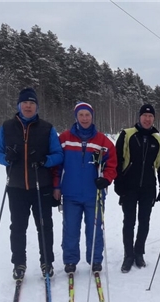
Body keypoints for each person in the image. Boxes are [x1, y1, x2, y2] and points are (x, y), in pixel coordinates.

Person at [0, 87, 63, 280]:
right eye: (25, 103)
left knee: (44, 226)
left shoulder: (47, 128)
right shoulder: (7, 127)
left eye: (32, 103)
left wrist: (44, 161)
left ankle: (47, 262)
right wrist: (8, 159)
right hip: (16, 187)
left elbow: (58, 154)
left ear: (37, 107)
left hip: (41, 186)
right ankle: (19, 263)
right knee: (17, 227)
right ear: (19, 105)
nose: (28, 106)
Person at [53, 102, 117, 275]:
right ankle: (70, 260)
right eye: (81, 115)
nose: (84, 118)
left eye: (87, 115)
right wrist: (56, 186)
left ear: (92, 116)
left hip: (94, 194)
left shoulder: (102, 140)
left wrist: (106, 179)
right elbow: (57, 166)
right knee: (70, 229)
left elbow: (111, 164)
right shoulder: (64, 139)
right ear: (76, 117)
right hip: (71, 194)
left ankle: (95, 260)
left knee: (95, 229)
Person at [114, 104, 160, 273]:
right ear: (139, 117)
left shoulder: (157, 139)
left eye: (150, 116)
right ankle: (128, 255)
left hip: (148, 188)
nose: (147, 119)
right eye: (144, 115)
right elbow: (117, 160)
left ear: (154, 118)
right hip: (129, 186)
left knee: (144, 222)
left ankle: (139, 253)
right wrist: (118, 183)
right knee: (129, 221)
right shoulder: (127, 134)